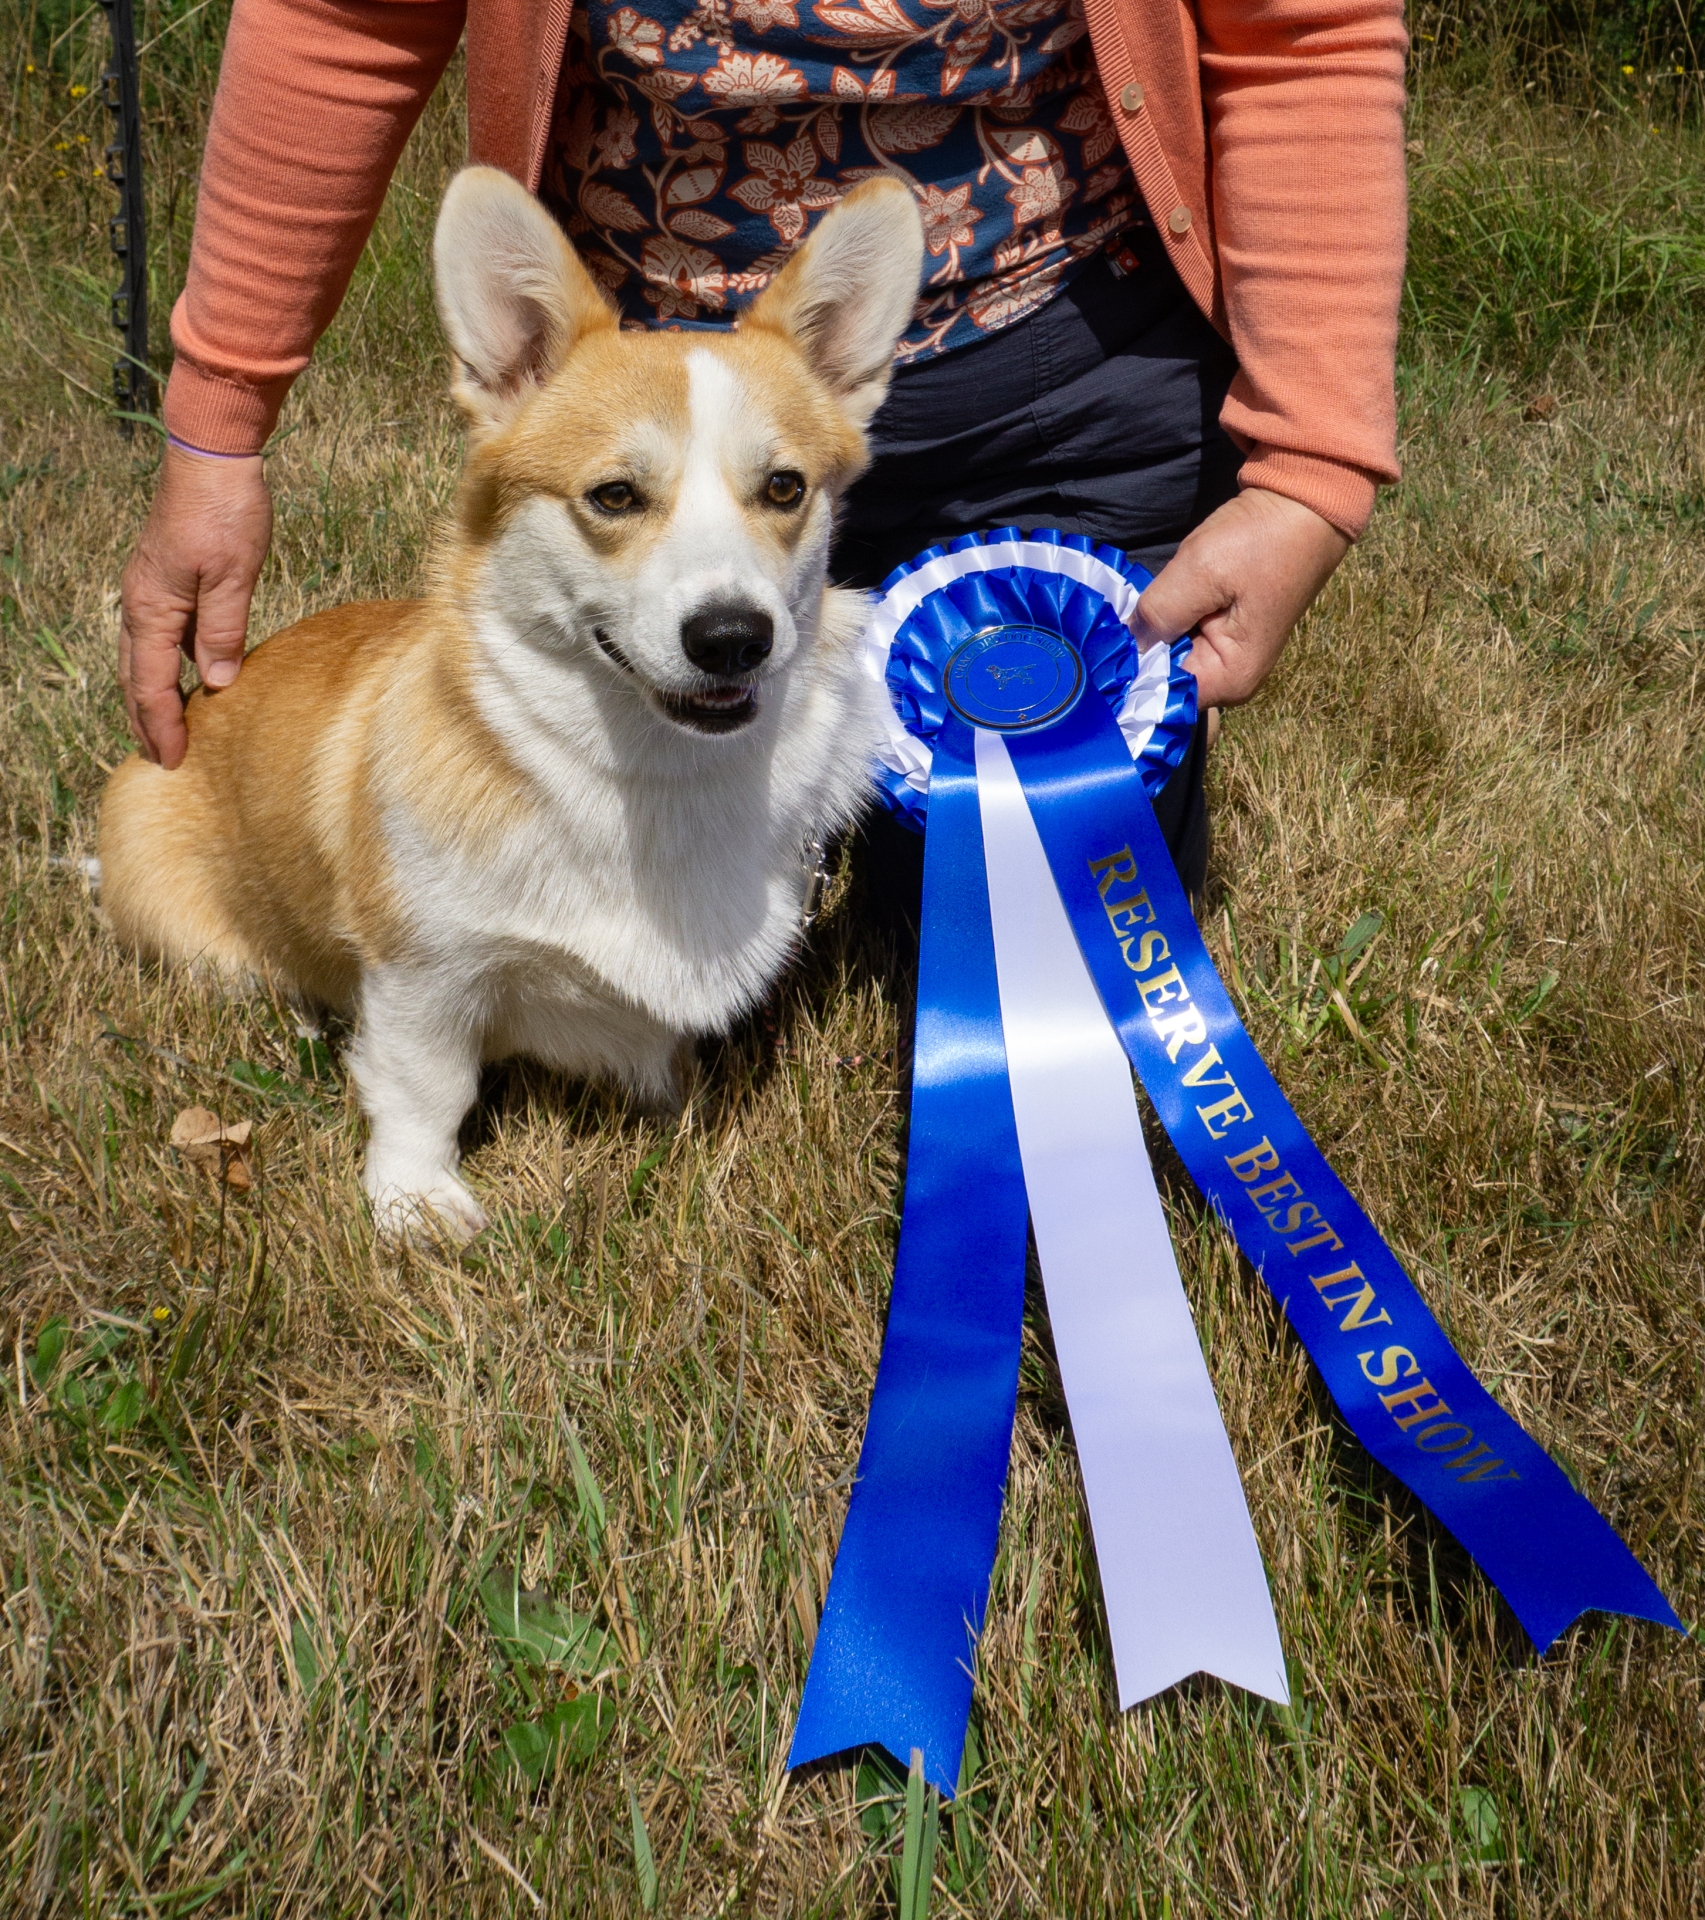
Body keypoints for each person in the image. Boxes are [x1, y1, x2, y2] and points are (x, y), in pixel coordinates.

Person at [118, 0, 1407, 908]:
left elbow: (1306, 29)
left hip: (1061, 385)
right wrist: (218, 418)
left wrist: (1311, 470)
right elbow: (341, 14)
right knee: (584, 903)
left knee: (1044, 935)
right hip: (633, 371)